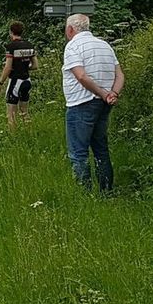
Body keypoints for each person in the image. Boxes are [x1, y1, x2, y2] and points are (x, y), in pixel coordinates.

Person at [61, 14, 123, 191]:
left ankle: (84, 194)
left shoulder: (73, 46)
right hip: (103, 105)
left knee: (78, 152)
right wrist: (113, 94)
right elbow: (120, 75)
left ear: (70, 29)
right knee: (101, 149)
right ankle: (106, 190)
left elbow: (81, 76)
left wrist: (103, 93)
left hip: (81, 103)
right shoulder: (105, 45)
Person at [0, 20, 38, 129]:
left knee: (11, 115)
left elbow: (8, 68)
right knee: (24, 113)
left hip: (15, 81)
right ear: (22, 32)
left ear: (11, 32)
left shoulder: (11, 47)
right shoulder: (30, 45)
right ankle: (29, 134)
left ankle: (13, 136)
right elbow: (35, 66)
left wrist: (0, 84)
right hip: (27, 81)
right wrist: (25, 67)